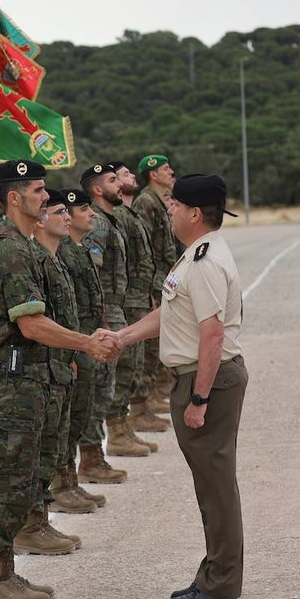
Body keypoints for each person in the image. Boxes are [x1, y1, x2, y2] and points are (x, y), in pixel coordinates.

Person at [0, 159, 119, 599]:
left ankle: (6, 572)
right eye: (37, 190)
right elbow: (32, 324)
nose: (45, 196)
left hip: (34, 375)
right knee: (8, 476)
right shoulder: (9, 249)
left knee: (27, 472)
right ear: (14, 197)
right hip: (16, 376)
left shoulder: (27, 245)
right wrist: (84, 345)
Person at [115, 174, 248, 599]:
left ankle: (221, 583)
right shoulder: (195, 256)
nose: (168, 210)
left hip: (207, 379)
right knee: (211, 485)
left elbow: (211, 336)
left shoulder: (205, 262)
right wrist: (123, 336)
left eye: (175, 205)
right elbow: (172, 314)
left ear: (194, 213)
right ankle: (212, 573)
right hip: (198, 377)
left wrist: (200, 399)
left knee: (216, 486)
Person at [11, 189, 83, 553]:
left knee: (50, 447)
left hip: (56, 366)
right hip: (39, 368)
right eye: (58, 211)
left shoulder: (53, 259)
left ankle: (39, 519)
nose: (67, 217)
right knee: (36, 453)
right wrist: (82, 345)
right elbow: (35, 322)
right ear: (41, 222)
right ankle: (29, 526)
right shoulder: (34, 259)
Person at [78, 163, 146, 478]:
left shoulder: (109, 220)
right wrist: (103, 318)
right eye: (111, 180)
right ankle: (91, 459)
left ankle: (98, 452)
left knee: (107, 385)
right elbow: (92, 273)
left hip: (115, 309)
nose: (119, 184)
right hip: (105, 312)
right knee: (99, 386)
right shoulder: (97, 224)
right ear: (96, 189)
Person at [52, 188, 110, 512]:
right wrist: (73, 350)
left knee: (79, 416)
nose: (91, 214)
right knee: (68, 419)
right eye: (83, 209)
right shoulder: (64, 251)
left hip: (86, 343)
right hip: (75, 345)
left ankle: (71, 480)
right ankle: (60, 486)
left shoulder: (78, 250)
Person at [108, 160, 167, 441]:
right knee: (128, 362)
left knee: (141, 358)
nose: (128, 178)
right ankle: (122, 424)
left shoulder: (129, 212)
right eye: (121, 176)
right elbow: (123, 261)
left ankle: (136, 411)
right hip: (129, 297)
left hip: (142, 293)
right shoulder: (121, 214)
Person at [135, 154, 179, 416]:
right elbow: (146, 248)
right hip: (154, 282)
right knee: (150, 346)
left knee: (161, 343)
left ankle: (154, 392)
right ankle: (145, 399)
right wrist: (151, 288)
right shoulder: (146, 203)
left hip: (164, 279)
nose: (171, 172)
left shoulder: (159, 202)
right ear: (153, 174)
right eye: (165, 169)